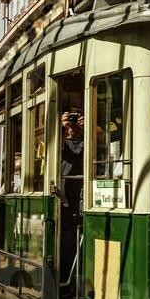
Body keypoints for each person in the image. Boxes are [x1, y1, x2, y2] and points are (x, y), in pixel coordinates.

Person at [60, 110, 84, 284]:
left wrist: (89, 128)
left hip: (83, 201)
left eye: (77, 119)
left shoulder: (88, 140)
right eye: (71, 120)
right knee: (65, 244)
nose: (73, 123)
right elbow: (61, 151)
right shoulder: (60, 142)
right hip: (63, 201)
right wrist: (62, 128)